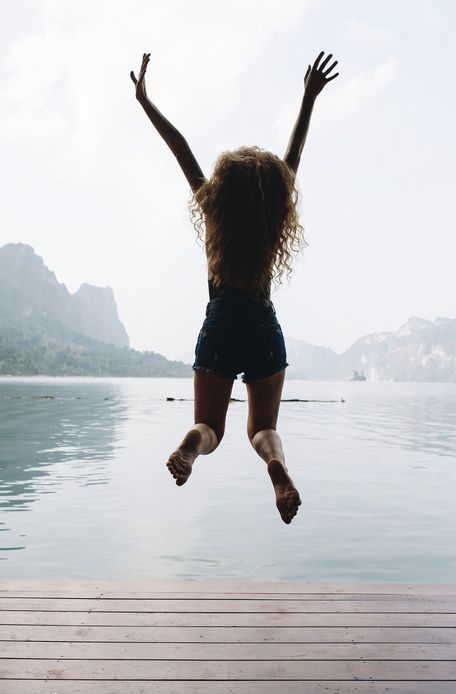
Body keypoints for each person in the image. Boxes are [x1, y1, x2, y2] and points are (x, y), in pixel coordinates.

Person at [131, 51, 338, 524]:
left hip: (220, 321)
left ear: (222, 190)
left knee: (211, 426)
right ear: (271, 196)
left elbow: (180, 148)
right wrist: (308, 98)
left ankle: (192, 444)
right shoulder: (270, 219)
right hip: (262, 324)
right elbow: (294, 156)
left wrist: (146, 102)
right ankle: (276, 465)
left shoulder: (212, 209)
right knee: (262, 428)